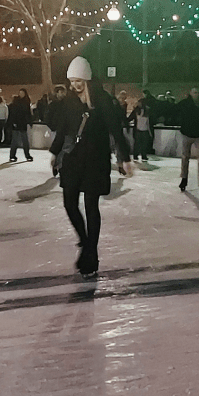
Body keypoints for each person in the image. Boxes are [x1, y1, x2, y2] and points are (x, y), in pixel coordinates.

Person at [49, 56, 132, 277]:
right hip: (74, 159)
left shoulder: (102, 100)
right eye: (72, 81)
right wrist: (54, 152)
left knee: (91, 206)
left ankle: (91, 255)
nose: (74, 85)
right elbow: (63, 129)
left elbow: (116, 129)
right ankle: (85, 242)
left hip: (95, 160)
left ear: (87, 79)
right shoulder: (69, 101)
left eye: (78, 81)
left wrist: (124, 157)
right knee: (69, 203)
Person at [8, 89, 34, 162]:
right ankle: (12, 155)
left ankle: (27, 155)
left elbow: (28, 112)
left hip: (23, 123)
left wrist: (30, 121)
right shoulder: (16, 101)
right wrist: (13, 122)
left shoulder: (26, 101)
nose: (21, 94)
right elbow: (13, 112)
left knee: (25, 140)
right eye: (20, 93)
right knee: (15, 140)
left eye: (22, 93)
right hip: (17, 122)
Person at [131, 97, 153, 162]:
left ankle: (138, 155)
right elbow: (148, 122)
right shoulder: (146, 111)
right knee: (141, 144)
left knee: (140, 144)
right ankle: (141, 155)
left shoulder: (137, 111)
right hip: (142, 130)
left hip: (141, 130)